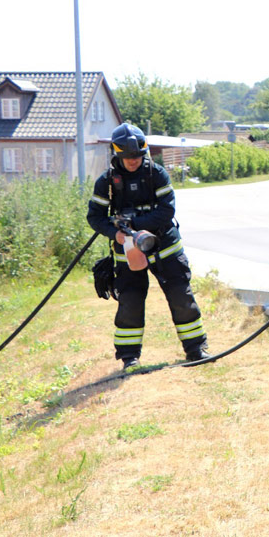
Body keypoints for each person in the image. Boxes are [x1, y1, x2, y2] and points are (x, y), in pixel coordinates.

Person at [87, 122, 209, 371]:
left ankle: (196, 349)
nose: (133, 160)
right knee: (130, 301)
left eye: (137, 155)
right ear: (117, 154)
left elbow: (167, 211)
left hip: (165, 247)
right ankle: (129, 357)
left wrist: (137, 226)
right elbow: (95, 217)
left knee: (181, 296)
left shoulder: (157, 174)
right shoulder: (106, 182)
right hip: (128, 251)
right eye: (128, 156)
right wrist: (116, 234)